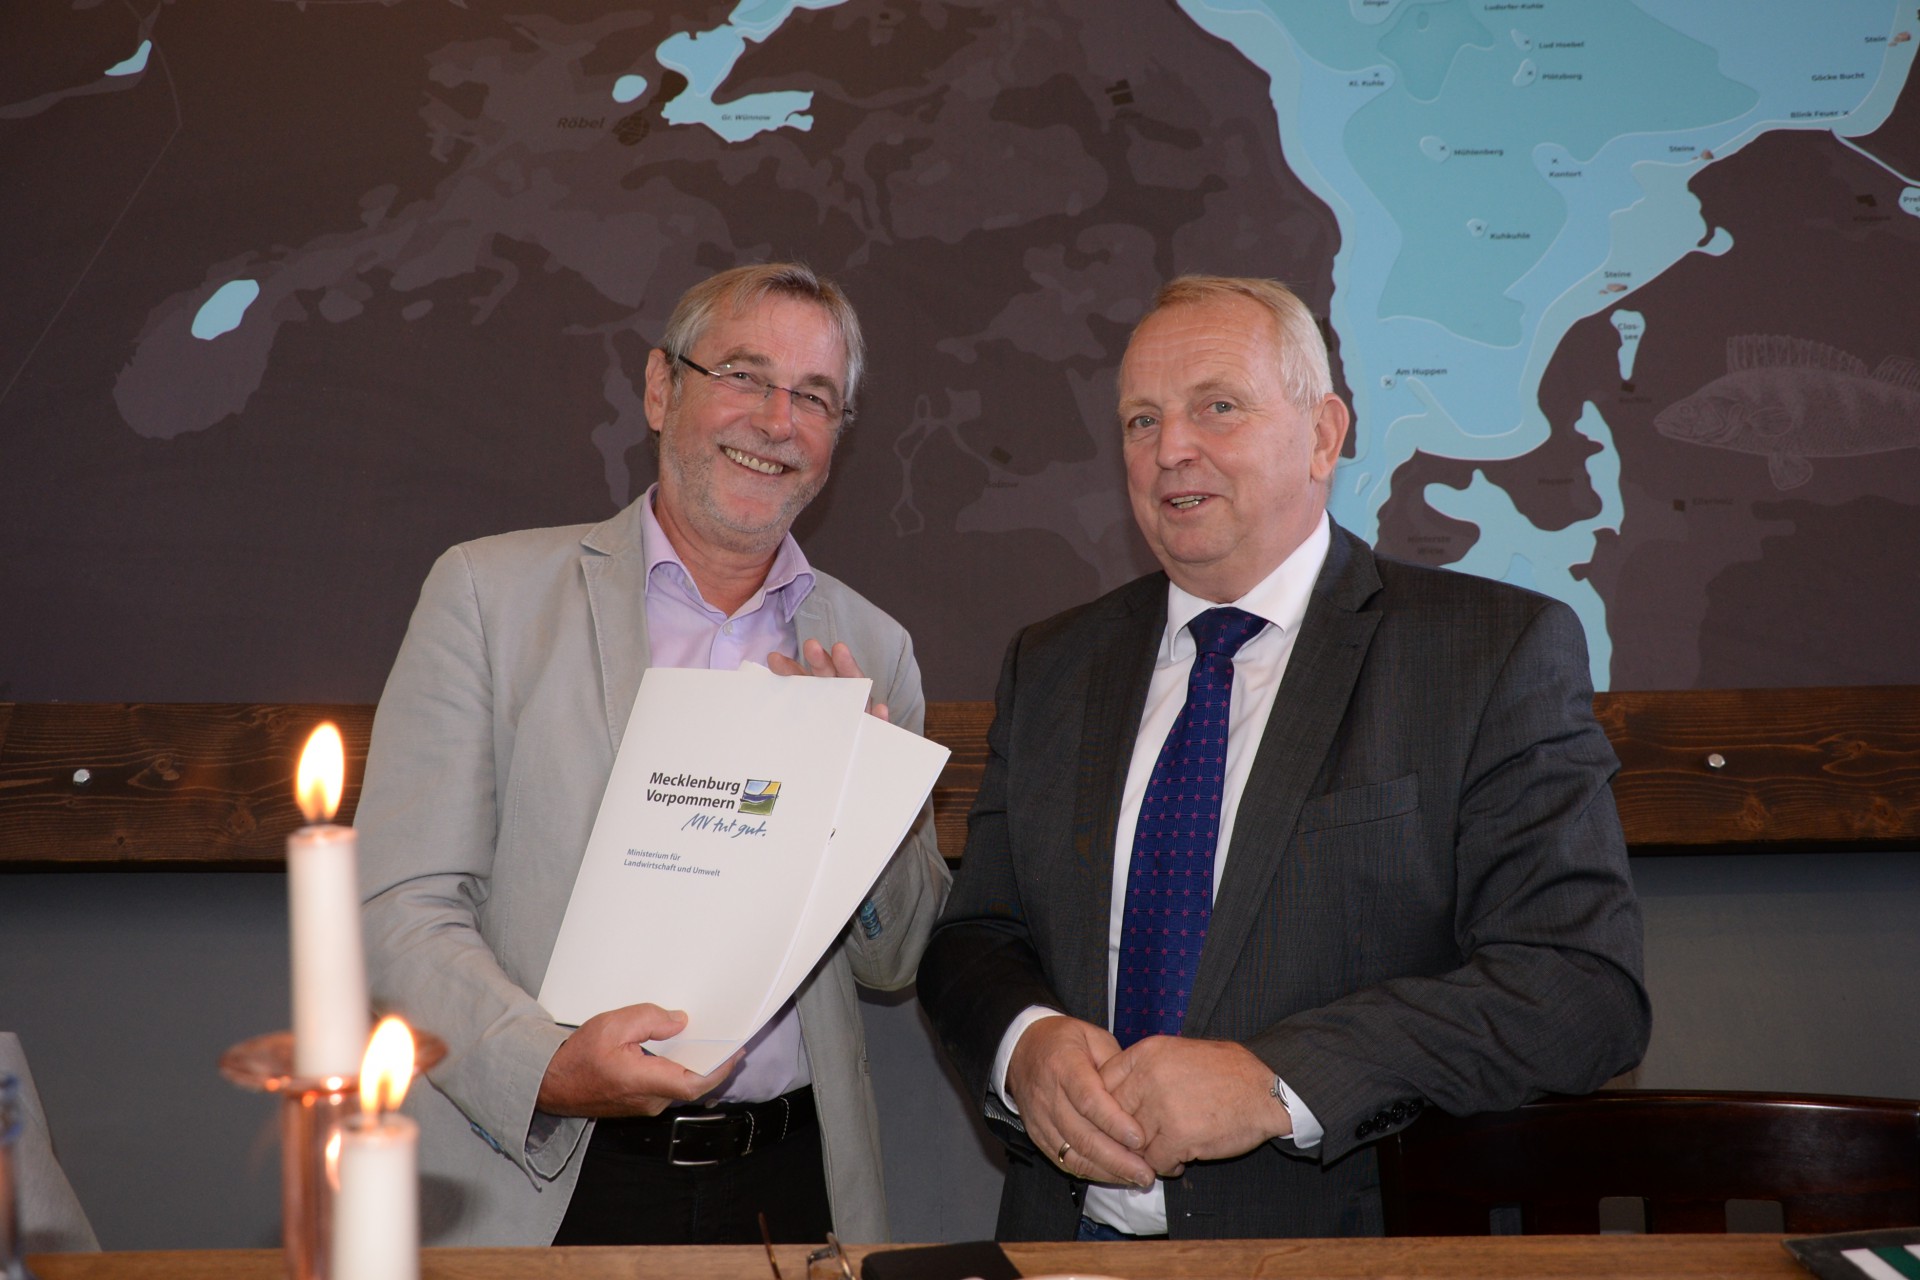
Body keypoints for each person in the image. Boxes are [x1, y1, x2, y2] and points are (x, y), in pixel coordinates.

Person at [917, 275, 1650, 1240]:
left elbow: (1579, 989)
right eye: (1142, 420)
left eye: (1217, 407)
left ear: (1322, 435)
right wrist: (1026, 1043)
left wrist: (1276, 1083)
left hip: (1335, 1248)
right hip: (1064, 1241)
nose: (1170, 449)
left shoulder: (1488, 654)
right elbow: (978, 936)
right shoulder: (1052, 664)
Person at [355, 263, 949, 1247]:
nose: (777, 420)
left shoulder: (872, 650)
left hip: (791, 1181)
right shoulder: (488, 599)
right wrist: (547, 1066)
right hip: (550, 1175)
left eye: (814, 397)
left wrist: (862, 801)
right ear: (662, 388)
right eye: (745, 375)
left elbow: (896, 961)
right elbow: (399, 911)